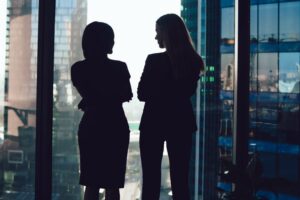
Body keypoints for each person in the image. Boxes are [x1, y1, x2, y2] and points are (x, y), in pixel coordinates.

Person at [137, 13, 204, 200]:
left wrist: (157, 90)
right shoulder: (193, 62)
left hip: (153, 123)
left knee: (150, 180)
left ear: (167, 34)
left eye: (158, 32)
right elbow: (184, 92)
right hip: (181, 122)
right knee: (181, 181)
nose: (156, 37)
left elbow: (142, 94)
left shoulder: (154, 60)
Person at [71, 22, 133, 200]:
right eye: (111, 39)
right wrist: (104, 96)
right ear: (104, 42)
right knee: (113, 185)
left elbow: (91, 96)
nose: (113, 43)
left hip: (92, 126)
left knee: (91, 184)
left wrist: (90, 100)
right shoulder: (120, 67)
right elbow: (126, 94)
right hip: (115, 126)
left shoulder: (78, 68)